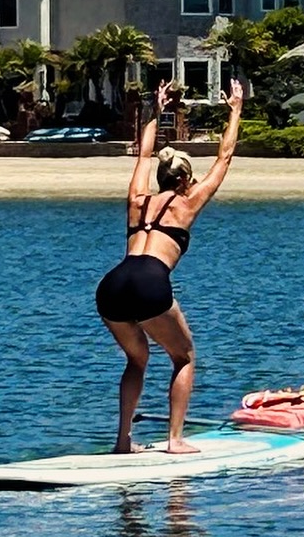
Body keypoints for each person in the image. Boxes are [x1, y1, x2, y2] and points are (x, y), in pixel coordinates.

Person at [96, 77, 243, 455]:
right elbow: (224, 157)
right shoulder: (187, 202)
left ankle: (123, 442)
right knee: (184, 357)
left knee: (137, 358)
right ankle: (174, 440)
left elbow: (143, 155)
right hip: (149, 281)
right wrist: (236, 109)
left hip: (113, 282)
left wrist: (155, 111)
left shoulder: (137, 198)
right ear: (185, 179)